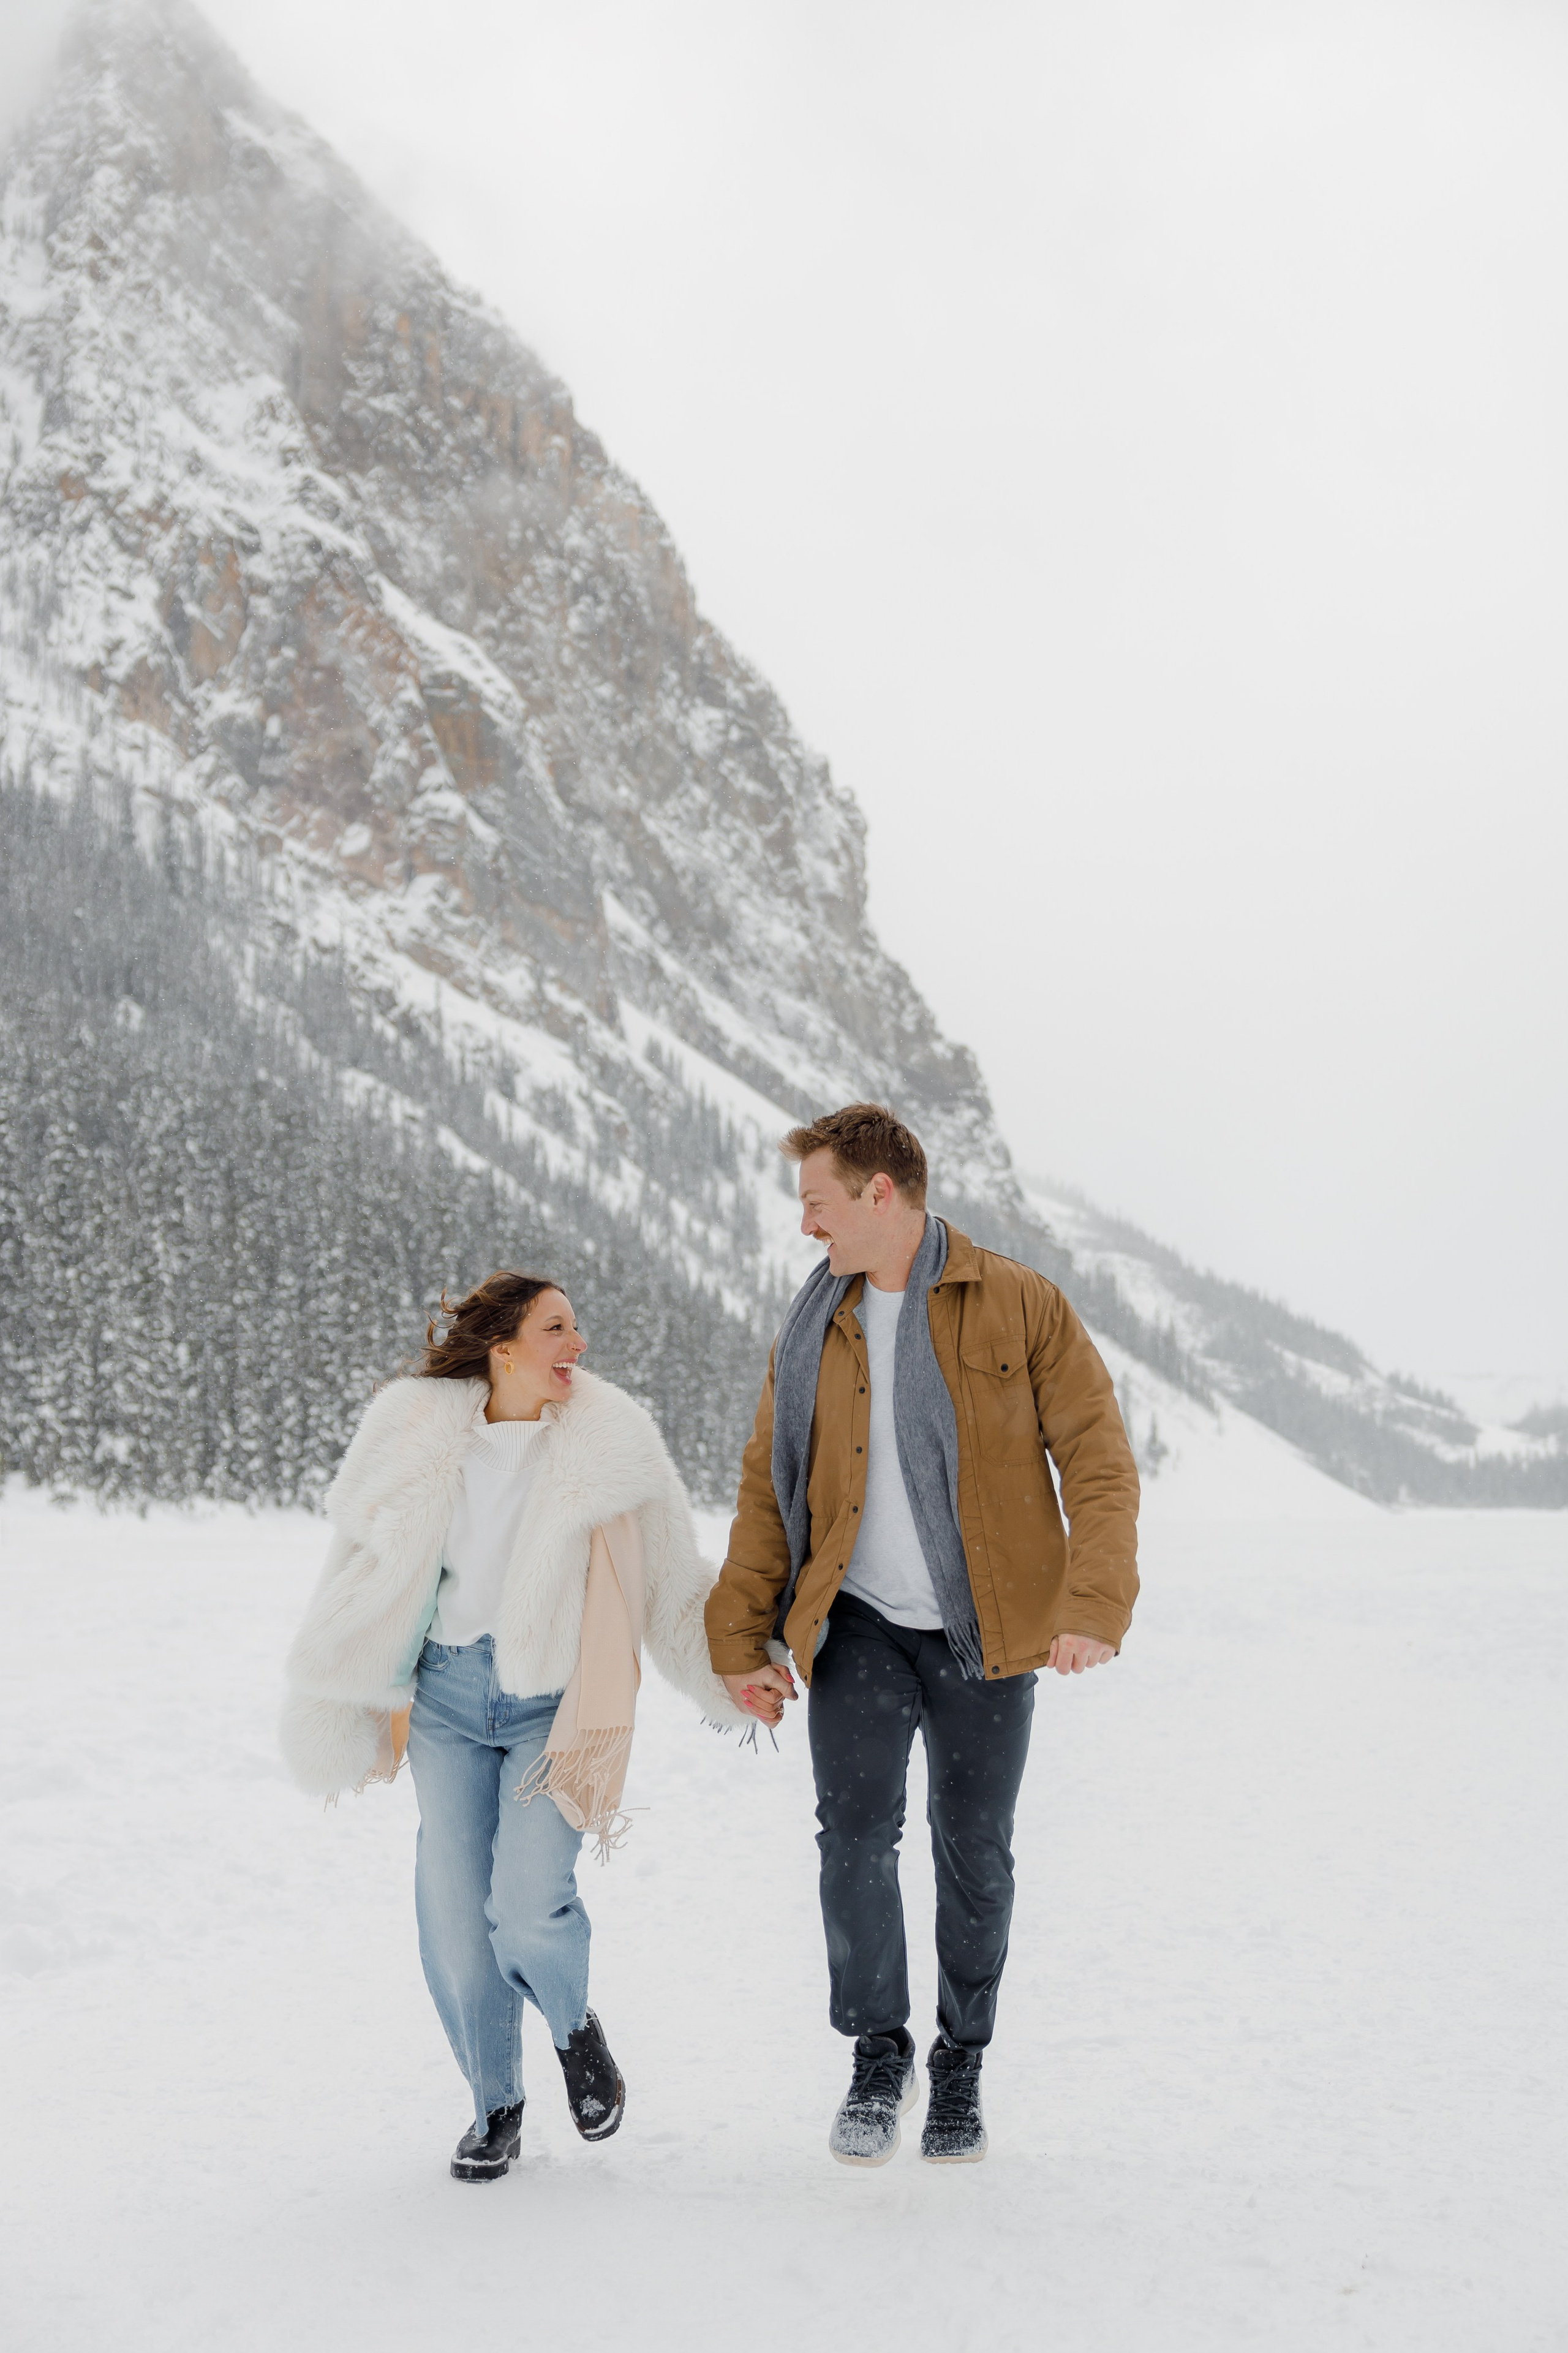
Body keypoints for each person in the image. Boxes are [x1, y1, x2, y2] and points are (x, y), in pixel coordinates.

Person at [705, 1103, 1140, 2167]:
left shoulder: (1019, 1304)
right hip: (855, 1625)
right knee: (852, 1843)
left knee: (973, 1852)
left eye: (816, 1201)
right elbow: (771, 1491)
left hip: (984, 1632)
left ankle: (961, 2063)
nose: (805, 1223)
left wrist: (1092, 1604)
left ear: (878, 1193)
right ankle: (878, 2053)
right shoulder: (815, 1323)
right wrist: (739, 1638)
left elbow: (1097, 1457)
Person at [281, 1271, 745, 2181]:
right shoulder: (416, 1431)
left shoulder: (613, 1445)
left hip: (553, 1707)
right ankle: (495, 2102)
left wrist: (734, 1674)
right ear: (502, 1348)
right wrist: (335, 1690)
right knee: (456, 1922)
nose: (578, 1344)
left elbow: (673, 1587)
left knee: (526, 1906)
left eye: (578, 1327)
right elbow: (359, 1568)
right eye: (557, 1328)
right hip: (447, 1701)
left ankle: (572, 2024)